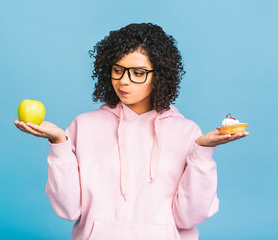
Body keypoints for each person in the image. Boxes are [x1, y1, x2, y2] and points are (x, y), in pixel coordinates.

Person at [14, 23, 249, 240]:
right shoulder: (82, 126)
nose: (124, 81)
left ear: (160, 76)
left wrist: (202, 152)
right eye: (118, 70)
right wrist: (59, 145)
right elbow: (68, 209)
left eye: (138, 73)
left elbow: (189, 218)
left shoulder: (186, 132)